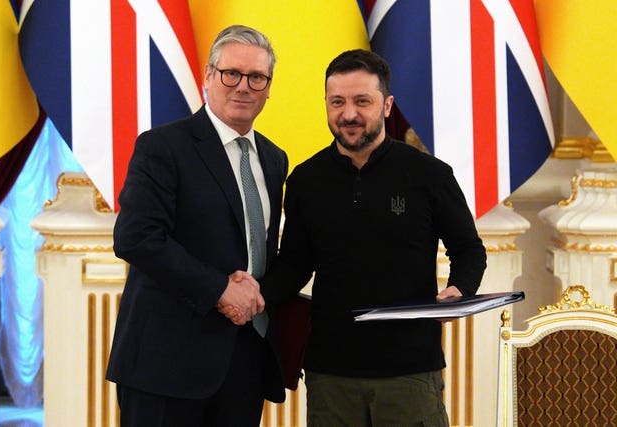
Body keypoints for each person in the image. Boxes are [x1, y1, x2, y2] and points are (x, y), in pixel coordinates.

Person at [248, 49, 487, 426]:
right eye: (337, 102)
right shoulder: (304, 181)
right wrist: (251, 295)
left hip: (410, 370)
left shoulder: (430, 175)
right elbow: (294, 264)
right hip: (331, 372)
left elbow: (469, 249)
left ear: (387, 105)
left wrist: (459, 290)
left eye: (363, 101)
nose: (349, 114)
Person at [106, 25, 288, 427]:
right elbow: (136, 237)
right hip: (166, 366)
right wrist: (219, 288)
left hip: (244, 362)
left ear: (269, 87)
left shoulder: (275, 159)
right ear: (209, 76)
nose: (243, 86)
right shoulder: (163, 146)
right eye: (231, 73)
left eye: (257, 77)